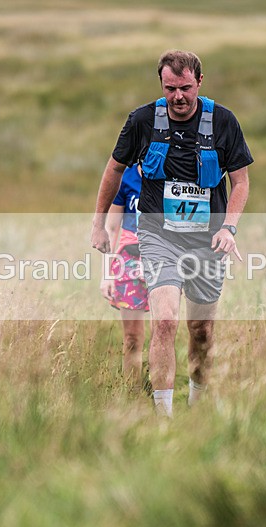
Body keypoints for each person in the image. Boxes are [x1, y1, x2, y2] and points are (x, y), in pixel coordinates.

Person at [91, 50, 253, 416]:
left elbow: (241, 182)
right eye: (170, 89)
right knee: (164, 320)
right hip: (158, 235)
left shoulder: (224, 121)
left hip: (207, 239)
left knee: (201, 330)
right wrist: (98, 223)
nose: (178, 96)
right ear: (161, 84)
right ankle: (163, 418)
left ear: (199, 82)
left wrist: (229, 227)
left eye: (185, 88)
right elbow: (113, 170)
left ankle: (197, 405)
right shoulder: (142, 121)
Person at [99, 164, 149, 391]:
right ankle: (133, 394)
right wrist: (107, 273)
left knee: (164, 331)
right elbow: (111, 228)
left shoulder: (176, 168)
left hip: (167, 260)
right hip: (130, 260)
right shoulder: (126, 176)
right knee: (132, 337)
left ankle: (161, 395)